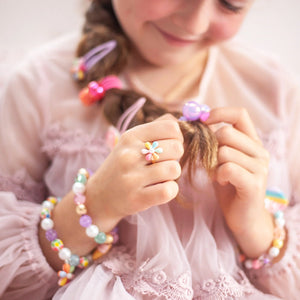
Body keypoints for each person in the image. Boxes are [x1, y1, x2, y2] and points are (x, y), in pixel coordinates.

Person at [0, 0, 300, 299]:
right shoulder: (37, 87)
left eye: (230, 4)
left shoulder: (276, 93)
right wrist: (95, 205)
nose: (194, 23)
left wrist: (257, 227)